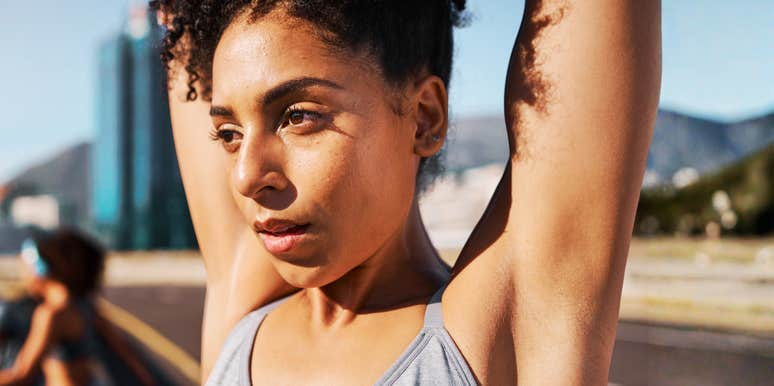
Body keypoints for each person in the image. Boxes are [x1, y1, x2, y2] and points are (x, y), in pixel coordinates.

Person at [152, 0, 661, 384]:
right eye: (228, 134)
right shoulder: (244, 318)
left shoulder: (501, 335)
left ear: (424, 118)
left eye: (298, 117)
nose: (246, 175)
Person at [0, 229, 157, 386]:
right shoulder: (85, 305)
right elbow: (123, 350)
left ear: (42, 270)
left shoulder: (51, 314)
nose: (24, 276)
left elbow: (22, 374)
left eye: (25, 269)